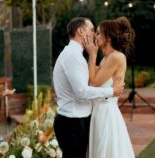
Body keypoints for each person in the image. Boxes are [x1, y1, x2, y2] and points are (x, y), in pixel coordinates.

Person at [53, 17, 124, 158]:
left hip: (76, 121)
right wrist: (111, 91)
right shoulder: (73, 56)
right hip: (72, 123)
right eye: (92, 30)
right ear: (80, 31)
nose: (94, 35)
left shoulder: (75, 55)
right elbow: (82, 92)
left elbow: (90, 81)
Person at [85, 16, 135, 158]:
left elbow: (93, 83)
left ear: (108, 37)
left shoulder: (116, 57)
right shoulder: (106, 58)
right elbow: (93, 77)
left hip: (106, 113)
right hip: (99, 111)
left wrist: (92, 54)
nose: (95, 35)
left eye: (99, 32)